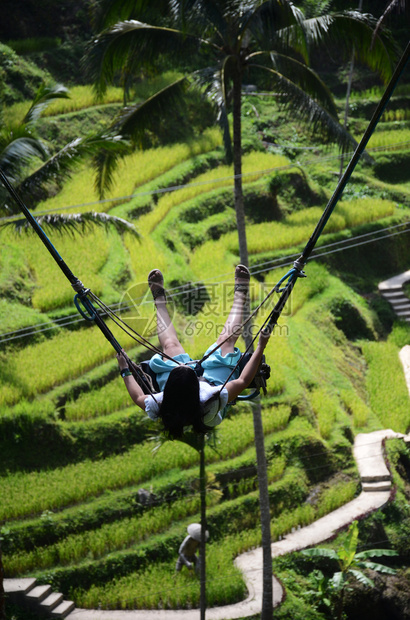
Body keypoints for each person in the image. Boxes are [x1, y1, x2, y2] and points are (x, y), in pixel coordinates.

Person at [117, 265, 271, 438]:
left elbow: (138, 397)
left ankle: (159, 299)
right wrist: (261, 346)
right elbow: (243, 380)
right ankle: (240, 294)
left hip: (185, 389)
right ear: (196, 386)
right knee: (226, 342)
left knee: (170, 346)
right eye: (188, 369)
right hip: (213, 383)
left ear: (168, 390)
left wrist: (124, 369)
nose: (189, 364)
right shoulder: (213, 397)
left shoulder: (160, 403)